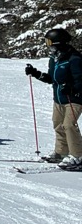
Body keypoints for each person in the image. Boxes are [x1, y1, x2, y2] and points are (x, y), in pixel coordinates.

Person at [25, 27, 82, 167]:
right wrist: (36, 73)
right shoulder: (55, 59)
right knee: (58, 124)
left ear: (58, 43)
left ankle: (78, 156)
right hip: (59, 99)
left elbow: (81, 80)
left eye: (49, 42)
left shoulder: (74, 59)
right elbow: (51, 78)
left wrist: (72, 88)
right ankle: (61, 152)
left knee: (69, 125)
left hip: (74, 99)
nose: (48, 46)